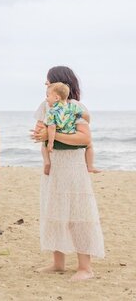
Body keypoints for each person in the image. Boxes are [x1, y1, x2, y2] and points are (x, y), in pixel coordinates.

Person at [31, 65, 104, 281]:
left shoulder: (76, 107)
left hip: (73, 166)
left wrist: (54, 136)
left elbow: (85, 139)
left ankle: (85, 267)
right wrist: (41, 134)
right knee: (54, 213)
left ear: (61, 83)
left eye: (48, 81)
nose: (45, 84)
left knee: (78, 215)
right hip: (54, 166)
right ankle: (58, 263)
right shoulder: (45, 105)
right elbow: (39, 131)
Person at [39, 82, 87, 175]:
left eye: (48, 96)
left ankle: (47, 162)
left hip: (58, 140)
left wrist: (50, 142)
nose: (46, 98)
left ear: (56, 98)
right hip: (71, 135)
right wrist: (87, 120)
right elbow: (84, 115)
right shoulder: (72, 107)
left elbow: (52, 127)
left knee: (43, 146)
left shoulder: (52, 111)